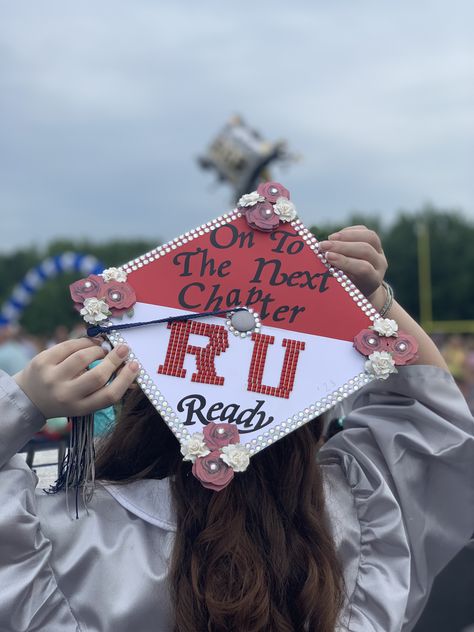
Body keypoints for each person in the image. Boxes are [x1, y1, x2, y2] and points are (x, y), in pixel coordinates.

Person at [1, 226, 473, 632]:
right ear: (307, 415)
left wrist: (24, 400)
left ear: (140, 403)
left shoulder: (73, 539)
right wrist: (374, 299)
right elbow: (433, 419)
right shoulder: (358, 521)